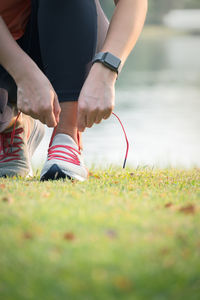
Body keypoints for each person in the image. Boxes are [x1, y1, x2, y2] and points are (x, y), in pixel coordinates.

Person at [0, 0, 147, 181]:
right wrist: (23, 74)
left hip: (72, 31)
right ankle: (10, 125)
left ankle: (66, 136)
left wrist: (106, 70)